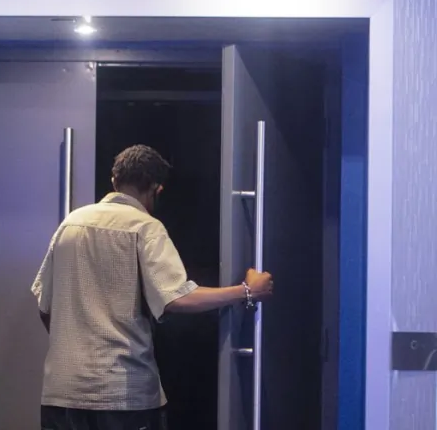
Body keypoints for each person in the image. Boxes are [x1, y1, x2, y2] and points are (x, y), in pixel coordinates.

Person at [32, 144, 274, 430]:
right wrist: (247, 291)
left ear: (114, 179)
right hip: (122, 396)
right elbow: (176, 298)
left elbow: (44, 306)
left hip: (63, 392)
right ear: (156, 189)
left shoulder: (70, 224)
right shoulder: (145, 228)